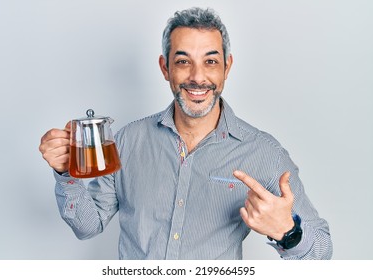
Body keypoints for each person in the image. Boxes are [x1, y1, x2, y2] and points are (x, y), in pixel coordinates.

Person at [39, 7, 332, 260]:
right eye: (182, 61)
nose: (197, 77)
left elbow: (322, 251)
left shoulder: (263, 152)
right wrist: (67, 174)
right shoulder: (127, 141)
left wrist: (288, 233)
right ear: (165, 68)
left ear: (226, 67)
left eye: (210, 61)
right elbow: (87, 226)